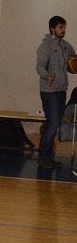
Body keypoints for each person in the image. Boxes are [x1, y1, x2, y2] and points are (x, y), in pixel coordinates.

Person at [36, 16, 75, 169]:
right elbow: (39, 66)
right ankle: (43, 158)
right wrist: (47, 75)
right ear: (52, 28)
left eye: (64, 27)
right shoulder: (45, 46)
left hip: (61, 90)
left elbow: (74, 60)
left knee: (55, 124)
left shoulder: (66, 46)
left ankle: (48, 157)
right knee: (52, 124)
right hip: (49, 91)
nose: (63, 30)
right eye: (60, 27)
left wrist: (74, 65)